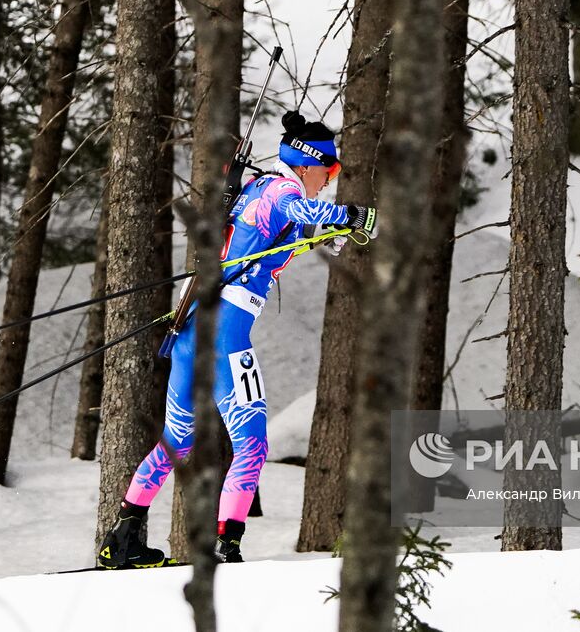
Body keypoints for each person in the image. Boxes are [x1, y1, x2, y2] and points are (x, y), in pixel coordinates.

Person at [97, 111, 378, 568]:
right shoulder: (286, 191)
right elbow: (303, 211)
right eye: (329, 171)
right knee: (252, 445)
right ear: (307, 164)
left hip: (193, 333)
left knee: (176, 441)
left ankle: (122, 539)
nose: (328, 180)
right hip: (225, 334)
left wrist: (340, 231)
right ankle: (226, 546)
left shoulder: (259, 187)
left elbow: (296, 232)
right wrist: (354, 214)